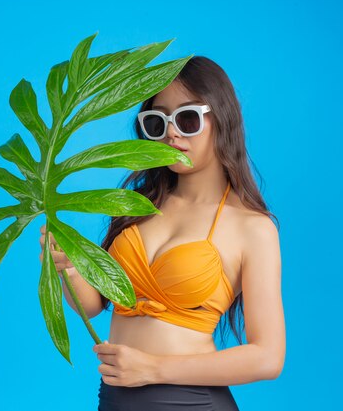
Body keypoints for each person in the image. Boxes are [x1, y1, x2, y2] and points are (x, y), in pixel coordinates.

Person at [39, 56, 285, 410]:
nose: (172, 133)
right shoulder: (136, 205)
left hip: (193, 403)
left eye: (187, 119)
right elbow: (94, 305)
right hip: (115, 400)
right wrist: (69, 266)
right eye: (157, 122)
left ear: (221, 119)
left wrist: (152, 369)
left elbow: (267, 358)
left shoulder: (252, 228)